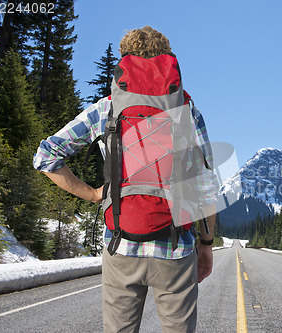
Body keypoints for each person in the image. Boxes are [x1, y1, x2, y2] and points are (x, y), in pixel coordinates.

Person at [33, 26, 218, 333]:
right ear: (167, 63)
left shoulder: (106, 109)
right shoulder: (187, 111)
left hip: (120, 242)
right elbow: (206, 189)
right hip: (176, 248)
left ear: (125, 62)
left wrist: (93, 194)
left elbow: (46, 156)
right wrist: (207, 244)